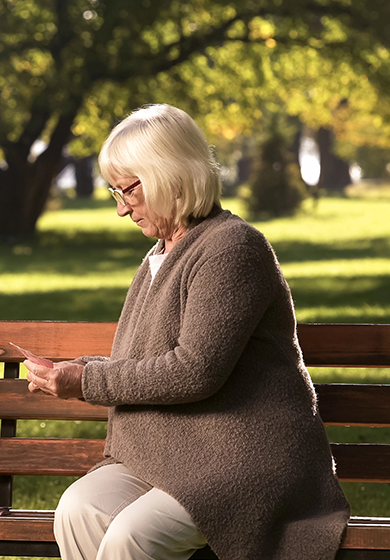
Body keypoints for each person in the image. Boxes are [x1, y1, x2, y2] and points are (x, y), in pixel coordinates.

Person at [23, 104, 349, 560]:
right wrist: (76, 369)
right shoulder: (160, 254)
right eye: (115, 191)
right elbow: (143, 363)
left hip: (244, 457)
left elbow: (194, 371)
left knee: (134, 535)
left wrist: (86, 380)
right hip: (170, 452)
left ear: (169, 175)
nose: (121, 209)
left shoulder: (232, 248)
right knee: (79, 508)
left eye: (129, 190)